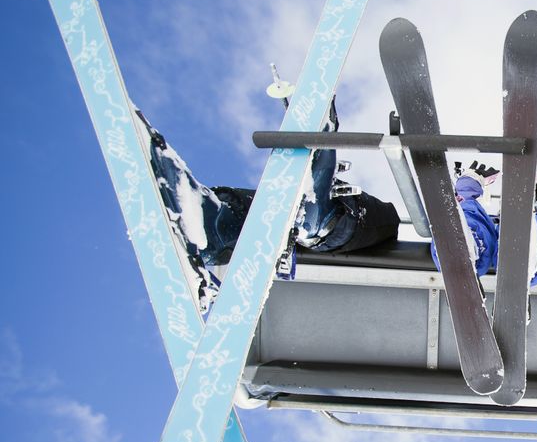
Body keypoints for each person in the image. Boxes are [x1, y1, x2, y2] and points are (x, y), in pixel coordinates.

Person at [142, 97, 400, 313]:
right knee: (265, 214)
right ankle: (214, 222)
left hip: (371, 239)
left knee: (388, 221)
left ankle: (319, 216)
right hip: (348, 239)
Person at [432, 161, 537, 286]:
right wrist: (467, 189)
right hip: (507, 231)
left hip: (533, 230)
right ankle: (464, 242)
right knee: (473, 219)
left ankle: (525, 250)